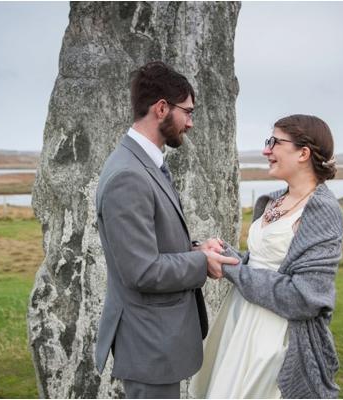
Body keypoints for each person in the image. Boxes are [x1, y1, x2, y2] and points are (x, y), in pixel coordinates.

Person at [92, 61, 240, 399]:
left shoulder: (145, 164)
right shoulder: (128, 176)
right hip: (149, 344)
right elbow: (142, 271)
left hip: (158, 342)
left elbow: (154, 244)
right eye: (187, 111)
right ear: (161, 108)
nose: (190, 122)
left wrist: (198, 249)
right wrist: (202, 263)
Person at [192, 114, 343, 398]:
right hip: (239, 321)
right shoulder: (274, 200)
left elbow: (305, 297)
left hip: (274, 336)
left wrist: (232, 270)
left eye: (274, 142)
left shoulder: (322, 211)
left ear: (303, 153)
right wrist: (220, 253)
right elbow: (263, 262)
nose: (266, 150)